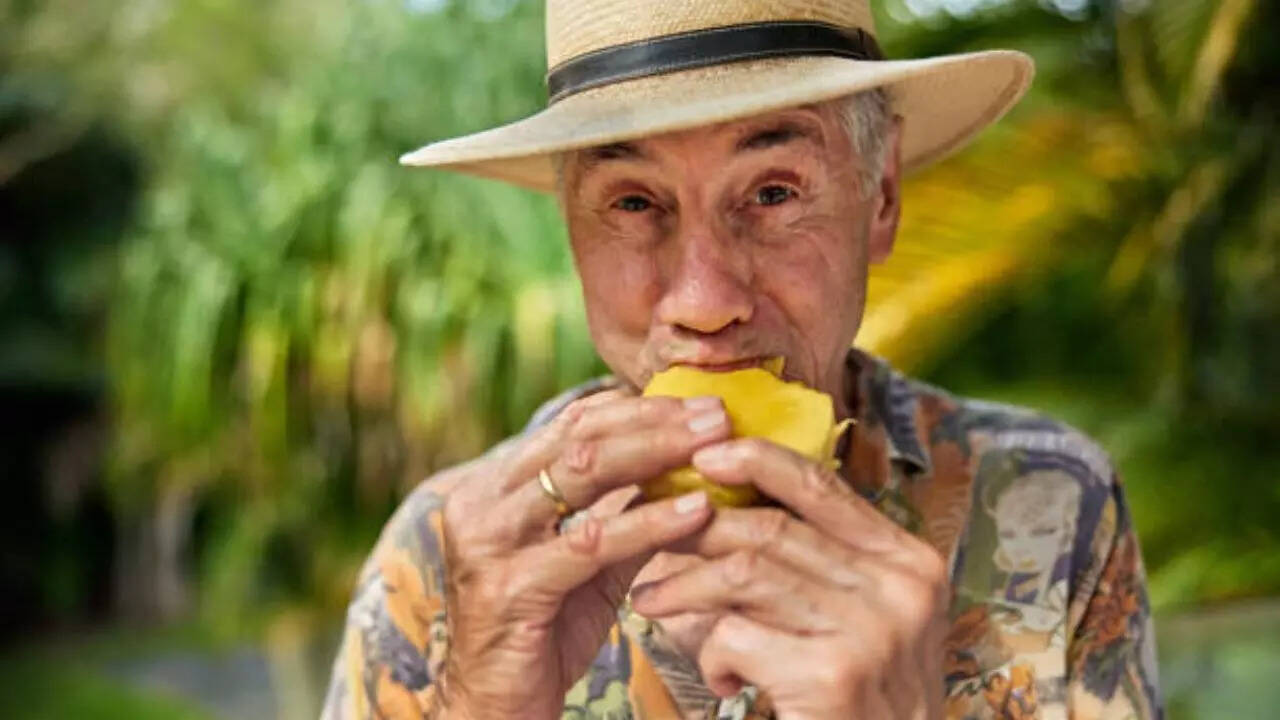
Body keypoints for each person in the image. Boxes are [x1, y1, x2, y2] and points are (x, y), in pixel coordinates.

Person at [321, 0, 1163, 717]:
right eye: (633, 201)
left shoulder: (1045, 506)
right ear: (573, 237)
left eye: (772, 192)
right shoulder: (440, 558)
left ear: (883, 197)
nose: (703, 299)